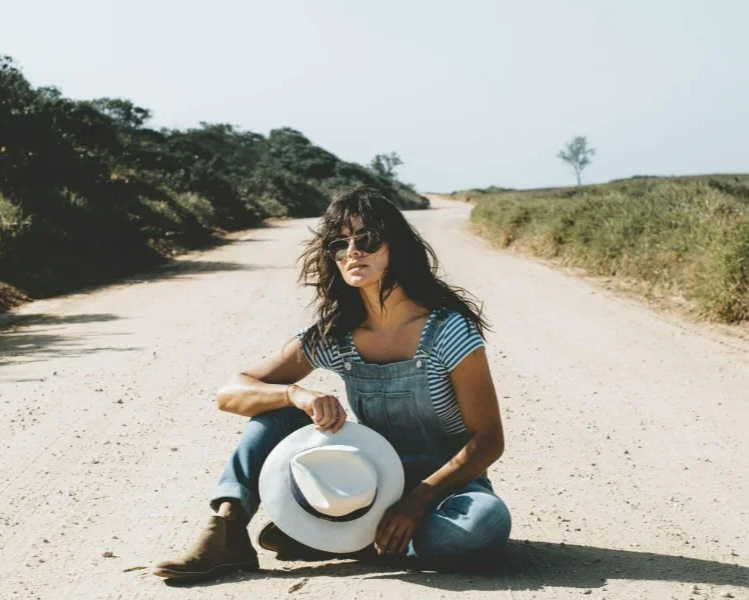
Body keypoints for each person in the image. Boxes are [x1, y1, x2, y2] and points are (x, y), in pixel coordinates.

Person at [154, 185, 511, 581]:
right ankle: (228, 532)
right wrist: (296, 394)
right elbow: (230, 393)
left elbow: (488, 439)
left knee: (485, 523)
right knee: (274, 414)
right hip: (364, 485)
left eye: (367, 240)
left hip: (445, 490)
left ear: (397, 247)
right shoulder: (335, 336)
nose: (353, 252)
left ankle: (338, 537)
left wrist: (418, 500)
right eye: (340, 246)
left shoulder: (447, 330)